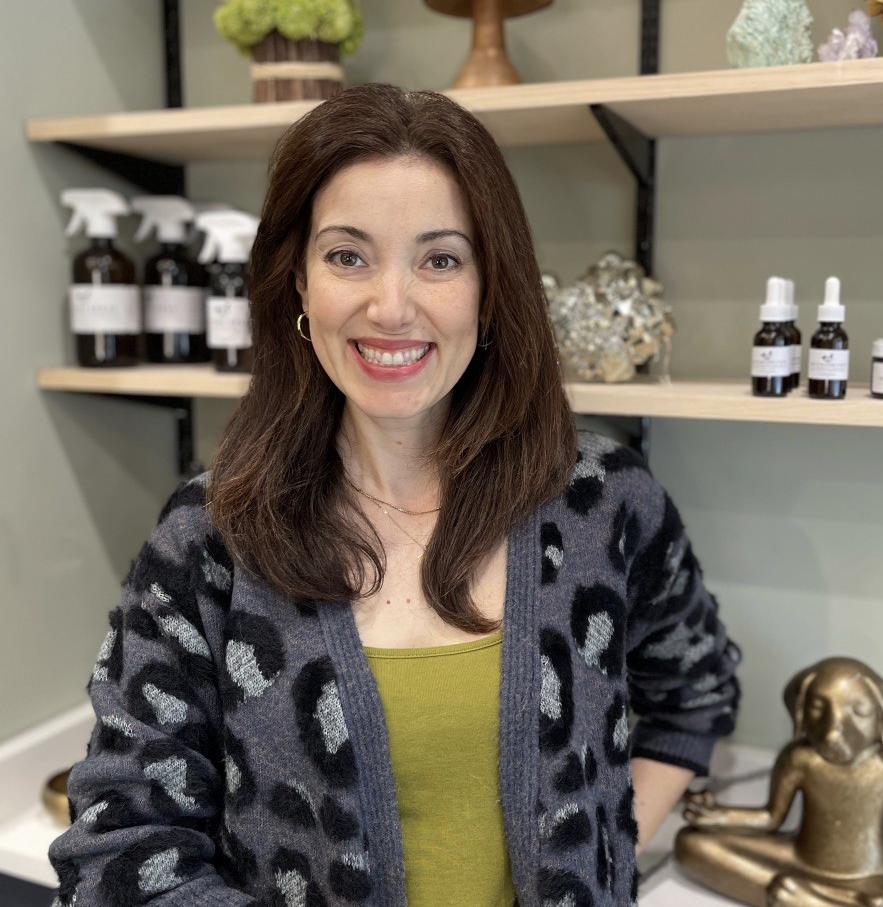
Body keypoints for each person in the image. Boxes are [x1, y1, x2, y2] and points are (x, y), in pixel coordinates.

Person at [48, 83, 741, 907]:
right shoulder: (213, 534)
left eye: (440, 259)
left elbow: (694, 694)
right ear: (298, 282)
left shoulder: (601, 500)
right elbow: (121, 849)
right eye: (348, 255)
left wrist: (597, 860)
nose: (391, 306)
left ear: (490, 289)